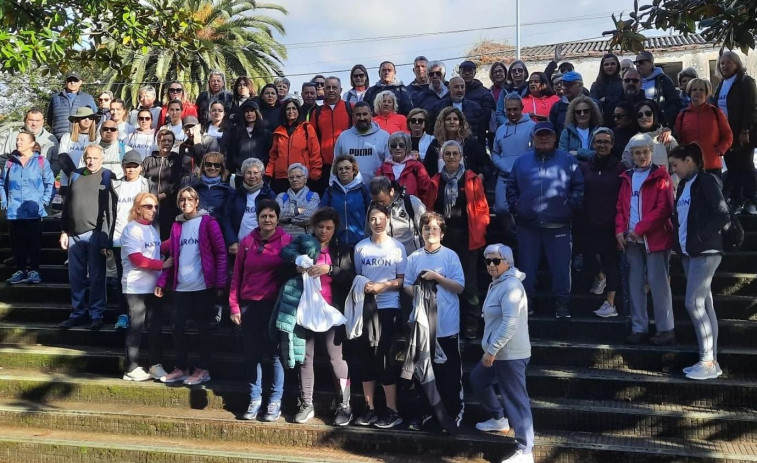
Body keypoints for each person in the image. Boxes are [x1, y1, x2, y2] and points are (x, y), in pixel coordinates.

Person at [281, 207, 355, 425]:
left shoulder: (341, 249)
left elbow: (350, 278)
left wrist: (329, 270)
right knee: (306, 358)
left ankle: (344, 405)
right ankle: (306, 403)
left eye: (329, 228)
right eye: (320, 227)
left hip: (332, 312)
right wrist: (295, 268)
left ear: (335, 229)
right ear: (313, 227)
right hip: (305, 310)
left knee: (336, 359)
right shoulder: (303, 246)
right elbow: (282, 267)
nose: (324, 231)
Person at [507, 121, 584, 319]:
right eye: (539, 134)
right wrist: (517, 207)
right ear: (532, 137)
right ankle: (527, 303)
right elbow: (511, 187)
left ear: (555, 137)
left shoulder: (567, 160)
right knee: (527, 269)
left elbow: (579, 187)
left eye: (548, 134)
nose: (543, 138)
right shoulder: (521, 161)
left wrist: (569, 207)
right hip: (528, 226)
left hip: (559, 225)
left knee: (561, 270)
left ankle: (562, 304)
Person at [669, 144, 730, 380]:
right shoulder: (685, 185)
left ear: (689, 160)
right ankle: (709, 359)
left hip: (705, 251)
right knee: (705, 305)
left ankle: (708, 361)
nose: (674, 170)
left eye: (676, 165)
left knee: (693, 304)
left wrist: (701, 238)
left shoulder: (706, 181)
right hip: (690, 252)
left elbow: (722, 213)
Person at [155, 186, 227, 386]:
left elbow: (221, 252)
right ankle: (181, 367)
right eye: (181, 200)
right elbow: (172, 256)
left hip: (203, 286)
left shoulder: (208, 222)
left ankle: (203, 369)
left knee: (204, 328)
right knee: (176, 326)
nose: (185, 203)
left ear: (196, 202)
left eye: (189, 199)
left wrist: (220, 282)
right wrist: (162, 281)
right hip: (180, 287)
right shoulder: (176, 225)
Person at [469, 243, 534, 463]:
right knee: (478, 379)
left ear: (508, 262)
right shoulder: (497, 284)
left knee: (516, 400)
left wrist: (492, 350)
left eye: (496, 260)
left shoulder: (511, 286)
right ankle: (498, 418)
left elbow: (510, 323)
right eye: (488, 261)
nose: (491, 265)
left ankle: (525, 450)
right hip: (497, 352)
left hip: (510, 353)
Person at [229, 199, 292, 421]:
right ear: (257, 218)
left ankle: (275, 401)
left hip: (274, 306)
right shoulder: (247, 242)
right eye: (263, 216)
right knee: (252, 355)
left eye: (271, 216)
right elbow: (237, 276)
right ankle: (255, 398)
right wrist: (234, 306)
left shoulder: (286, 241)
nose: (267, 219)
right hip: (249, 306)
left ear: (277, 218)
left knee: (275, 355)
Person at [402, 212, 466, 430]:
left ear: (442, 233)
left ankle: (454, 412)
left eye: (435, 229)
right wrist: (420, 291)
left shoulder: (450, 256)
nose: (430, 233)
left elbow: (459, 286)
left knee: (449, 374)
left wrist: (437, 278)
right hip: (423, 327)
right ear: (421, 233)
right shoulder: (413, 258)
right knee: (425, 373)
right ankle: (428, 414)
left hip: (447, 325)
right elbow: (407, 285)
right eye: (426, 229)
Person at [615, 133, 675, 345]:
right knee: (635, 283)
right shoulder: (627, 177)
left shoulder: (661, 175)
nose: (641, 156)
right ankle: (639, 327)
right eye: (637, 153)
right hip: (631, 240)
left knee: (659, 284)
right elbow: (621, 207)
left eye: (645, 152)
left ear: (652, 153)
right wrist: (619, 230)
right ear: (631, 155)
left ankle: (665, 328)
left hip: (655, 238)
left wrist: (640, 229)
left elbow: (664, 208)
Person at [427, 141, 490, 338]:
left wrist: (479, 232)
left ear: (461, 157)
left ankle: (471, 323)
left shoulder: (471, 179)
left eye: (456, 154)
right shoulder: (436, 180)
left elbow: (482, 210)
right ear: (442, 157)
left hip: (467, 236)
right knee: (444, 281)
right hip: (443, 238)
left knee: (469, 282)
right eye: (448, 154)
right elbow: (430, 207)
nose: (452, 157)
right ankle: (447, 323)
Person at [352, 204, 407, 429]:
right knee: (366, 355)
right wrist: (367, 287)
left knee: (384, 355)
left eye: (381, 218)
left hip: (388, 306)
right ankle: (370, 408)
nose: (377, 222)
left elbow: (403, 280)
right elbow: (358, 276)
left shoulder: (397, 248)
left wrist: (384, 286)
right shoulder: (360, 248)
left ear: (388, 220)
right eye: (373, 218)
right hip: (366, 307)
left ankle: (393, 409)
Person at [58, 145, 117, 331]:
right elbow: (67, 204)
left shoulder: (108, 175)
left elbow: (110, 209)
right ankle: (77, 313)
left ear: (102, 158)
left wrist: (105, 237)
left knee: (97, 277)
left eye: (95, 158)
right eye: (88, 158)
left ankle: (96, 314)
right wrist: (63, 230)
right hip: (74, 233)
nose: (91, 161)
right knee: (76, 277)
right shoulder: (75, 174)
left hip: (95, 232)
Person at [119, 192, 170, 382]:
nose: (153, 210)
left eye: (155, 207)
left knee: (155, 327)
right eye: (148, 206)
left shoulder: (152, 229)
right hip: (135, 287)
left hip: (153, 286)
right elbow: (136, 259)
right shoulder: (131, 229)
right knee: (136, 327)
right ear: (138, 208)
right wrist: (163, 265)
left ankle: (155, 365)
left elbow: (158, 248)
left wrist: (178, 237)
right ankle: (130, 367)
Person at [576, 128, 625, 318]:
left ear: (612, 144)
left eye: (606, 141)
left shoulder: (620, 168)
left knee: (611, 262)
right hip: (588, 221)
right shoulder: (585, 167)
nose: (602, 145)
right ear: (593, 144)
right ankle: (600, 277)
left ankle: (610, 303)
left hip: (611, 223)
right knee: (588, 259)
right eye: (598, 142)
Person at [0, 130, 54, 285]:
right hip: (14, 210)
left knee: (34, 242)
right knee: (17, 242)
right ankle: (20, 270)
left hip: (33, 210)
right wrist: (5, 201)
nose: (18, 142)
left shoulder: (41, 162)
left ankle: (34, 271)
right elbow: (2, 182)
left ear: (32, 143)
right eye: (17, 140)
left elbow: (49, 183)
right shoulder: (11, 162)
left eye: (22, 140)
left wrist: (43, 201)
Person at [111, 150, 153, 330]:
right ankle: (123, 314)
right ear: (123, 167)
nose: (131, 169)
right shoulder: (115, 185)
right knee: (123, 279)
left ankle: (140, 317)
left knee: (142, 277)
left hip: (140, 238)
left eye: (135, 166)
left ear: (141, 168)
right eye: (128, 166)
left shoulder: (146, 185)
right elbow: (109, 212)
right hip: (118, 238)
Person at [713, 51, 757, 214]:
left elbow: (751, 108)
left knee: (746, 165)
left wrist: (745, 130)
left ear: (737, 64)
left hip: (743, 133)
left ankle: (752, 198)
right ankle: (736, 200)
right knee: (732, 167)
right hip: (726, 134)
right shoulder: (721, 84)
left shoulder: (745, 82)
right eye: (722, 63)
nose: (724, 66)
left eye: (728, 62)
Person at [492, 94, 536, 242]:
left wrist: (521, 167)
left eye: (515, 109)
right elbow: (495, 152)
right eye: (508, 110)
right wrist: (502, 165)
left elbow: (534, 151)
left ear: (522, 108)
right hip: (504, 175)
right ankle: (514, 236)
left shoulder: (532, 126)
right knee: (500, 208)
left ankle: (525, 239)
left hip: (525, 176)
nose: (511, 113)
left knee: (524, 209)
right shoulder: (500, 129)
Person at [674, 78, 732, 178]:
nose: (698, 92)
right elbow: (678, 140)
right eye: (694, 89)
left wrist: (718, 151)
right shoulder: (682, 115)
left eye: (701, 90)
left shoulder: (716, 113)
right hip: (691, 167)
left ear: (706, 93)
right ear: (689, 92)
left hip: (712, 165)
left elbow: (728, 136)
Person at [142, 129, 193, 240]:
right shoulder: (148, 160)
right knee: (150, 234)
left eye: (169, 141)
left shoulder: (177, 160)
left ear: (173, 143)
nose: (166, 143)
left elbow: (179, 180)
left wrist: (165, 194)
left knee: (167, 235)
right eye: (163, 140)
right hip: (150, 202)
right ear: (158, 141)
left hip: (169, 203)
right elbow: (142, 180)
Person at [266, 98, 322, 194]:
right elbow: (273, 156)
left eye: (294, 108)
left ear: (298, 111)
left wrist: (315, 173)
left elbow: (315, 153)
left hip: (300, 177)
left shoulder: (307, 128)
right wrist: (268, 173)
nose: (291, 111)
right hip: (281, 178)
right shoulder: (279, 131)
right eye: (288, 109)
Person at [222, 157, 277, 253]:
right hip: (239, 246)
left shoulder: (269, 195)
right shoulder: (235, 194)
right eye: (248, 173)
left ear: (261, 174)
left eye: (256, 173)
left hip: (262, 246)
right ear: (243, 174)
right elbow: (226, 218)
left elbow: (274, 221)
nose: (252, 176)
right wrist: (232, 241)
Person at [310, 76, 353, 194]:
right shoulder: (316, 112)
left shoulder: (350, 108)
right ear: (324, 90)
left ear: (340, 90)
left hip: (347, 163)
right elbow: (312, 141)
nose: (331, 90)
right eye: (328, 87)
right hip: (325, 165)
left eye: (334, 87)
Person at [423, 107, 489, 179]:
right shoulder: (435, 144)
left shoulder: (470, 142)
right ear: (443, 123)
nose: (452, 122)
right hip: (440, 187)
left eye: (455, 119)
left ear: (460, 122)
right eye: (448, 119)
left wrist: (480, 177)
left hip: (466, 187)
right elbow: (426, 169)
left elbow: (487, 165)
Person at [320, 155, 371, 247]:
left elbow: (371, 213)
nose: (344, 171)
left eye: (347, 168)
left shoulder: (363, 190)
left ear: (354, 170)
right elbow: (322, 215)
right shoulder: (330, 191)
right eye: (340, 169)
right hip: (336, 243)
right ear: (336, 172)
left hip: (361, 242)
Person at [333, 101, 389, 185]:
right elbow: (335, 164)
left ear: (371, 115)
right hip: (350, 190)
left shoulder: (384, 136)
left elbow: (389, 166)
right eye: (358, 115)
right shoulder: (343, 137)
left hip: (377, 190)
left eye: (365, 114)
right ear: (353, 116)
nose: (362, 118)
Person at [368, 176, 426, 255]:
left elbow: (425, 230)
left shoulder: (411, 203)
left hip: (410, 256)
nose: (379, 205)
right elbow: (368, 232)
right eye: (376, 201)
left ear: (391, 191)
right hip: (386, 258)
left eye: (382, 201)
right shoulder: (372, 206)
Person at [375, 132, 432, 206]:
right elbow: (377, 193)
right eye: (394, 146)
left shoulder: (417, 167)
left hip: (412, 210)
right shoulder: (382, 169)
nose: (398, 148)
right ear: (390, 149)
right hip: (389, 211)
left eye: (401, 145)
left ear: (407, 147)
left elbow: (427, 191)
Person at [223, 100, 272, 181]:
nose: (249, 114)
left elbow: (269, 154)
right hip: (240, 174)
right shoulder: (235, 131)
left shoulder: (266, 133)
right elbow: (230, 152)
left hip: (259, 175)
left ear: (257, 113)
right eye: (246, 111)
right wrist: (235, 165)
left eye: (252, 111)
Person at [622, 100, 677, 170]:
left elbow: (677, 167)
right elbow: (628, 166)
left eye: (648, 113)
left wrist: (668, 180)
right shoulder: (632, 142)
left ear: (654, 115)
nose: (644, 117)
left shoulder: (667, 138)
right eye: (640, 115)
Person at [1, 108, 58, 173]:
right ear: (25, 120)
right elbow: (3, 158)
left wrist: (47, 176)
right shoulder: (14, 136)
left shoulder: (51, 139)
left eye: (37, 120)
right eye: (31, 120)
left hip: (41, 180)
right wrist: (11, 174)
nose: (34, 124)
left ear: (43, 122)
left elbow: (56, 161)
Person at [635, 50, 682, 127]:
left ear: (651, 63)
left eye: (641, 62)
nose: (637, 65)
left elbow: (675, 102)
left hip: (658, 124)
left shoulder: (663, 80)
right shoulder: (634, 80)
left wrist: (664, 118)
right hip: (639, 123)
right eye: (635, 62)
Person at [58, 107, 99, 192]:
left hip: (89, 181)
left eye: (90, 117)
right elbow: (62, 159)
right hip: (68, 181)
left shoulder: (97, 139)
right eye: (83, 117)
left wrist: (85, 176)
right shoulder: (67, 137)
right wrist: (76, 177)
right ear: (77, 120)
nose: (87, 120)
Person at [433, 77, 486, 142]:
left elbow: (481, 133)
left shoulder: (475, 108)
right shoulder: (439, 107)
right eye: (456, 87)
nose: (460, 90)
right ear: (449, 88)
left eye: (462, 87)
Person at [47, 71, 97, 141]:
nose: (72, 82)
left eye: (75, 80)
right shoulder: (55, 98)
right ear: (66, 82)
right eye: (70, 80)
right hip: (57, 138)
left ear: (80, 82)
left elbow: (94, 118)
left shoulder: (88, 98)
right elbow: (49, 119)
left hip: (80, 139)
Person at [275, 163, 320, 236]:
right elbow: (277, 215)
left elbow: (309, 217)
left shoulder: (313, 196)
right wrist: (299, 211)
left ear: (305, 179)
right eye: (291, 177)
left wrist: (288, 219)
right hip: (283, 237)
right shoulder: (281, 196)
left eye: (298, 176)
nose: (295, 179)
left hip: (305, 237)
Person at [559, 96, 604, 161]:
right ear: (573, 114)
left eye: (586, 111)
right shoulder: (566, 132)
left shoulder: (600, 131)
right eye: (578, 112)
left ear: (592, 112)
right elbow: (563, 156)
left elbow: (601, 154)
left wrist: (578, 153)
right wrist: (589, 154)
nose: (582, 114)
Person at [192, 151, 233, 221]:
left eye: (217, 165)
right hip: (197, 226)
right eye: (208, 164)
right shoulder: (194, 187)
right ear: (203, 167)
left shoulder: (228, 190)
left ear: (221, 168)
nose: (212, 168)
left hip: (218, 228)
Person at [458, 61, 495, 130]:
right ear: (459, 73)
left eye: (470, 71)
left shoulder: (485, 93)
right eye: (464, 71)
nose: (467, 73)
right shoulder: (454, 92)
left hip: (478, 132)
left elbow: (486, 116)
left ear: (474, 73)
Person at [548, 71, 585, 136]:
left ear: (580, 86)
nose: (565, 88)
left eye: (570, 84)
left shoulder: (590, 104)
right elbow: (551, 129)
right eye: (564, 84)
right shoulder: (556, 107)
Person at [590, 53, 624, 120]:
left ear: (617, 65)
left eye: (613, 64)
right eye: (606, 64)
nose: (610, 67)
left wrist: (606, 99)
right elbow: (593, 104)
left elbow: (623, 101)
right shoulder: (596, 85)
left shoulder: (623, 83)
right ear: (602, 67)